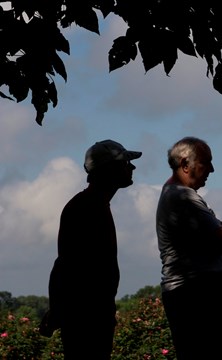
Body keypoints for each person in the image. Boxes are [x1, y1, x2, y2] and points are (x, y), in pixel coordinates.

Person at [45, 139, 141, 359]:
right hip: (86, 318)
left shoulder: (92, 205)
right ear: (110, 169)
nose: (132, 167)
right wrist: (60, 310)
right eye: (126, 162)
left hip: (93, 315)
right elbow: (65, 265)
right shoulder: (85, 208)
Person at [156, 136, 222, 359]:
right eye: (206, 162)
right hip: (195, 295)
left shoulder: (176, 194)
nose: (211, 169)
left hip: (192, 293)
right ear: (185, 164)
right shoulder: (183, 197)